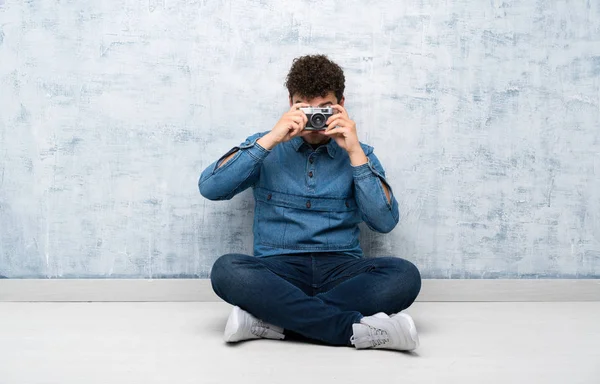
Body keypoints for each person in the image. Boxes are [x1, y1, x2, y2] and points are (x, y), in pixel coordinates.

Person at [198, 54, 421, 351]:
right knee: (226, 270)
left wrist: (354, 152)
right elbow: (210, 188)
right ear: (291, 103)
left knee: (405, 276)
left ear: (341, 103)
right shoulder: (265, 145)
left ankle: (273, 320)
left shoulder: (359, 153)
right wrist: (271, 139)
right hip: (278, 270)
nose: (315, 119)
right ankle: (351, 330)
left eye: (324, 108)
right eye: (305, 107)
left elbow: (385, 222)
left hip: (340, 271)